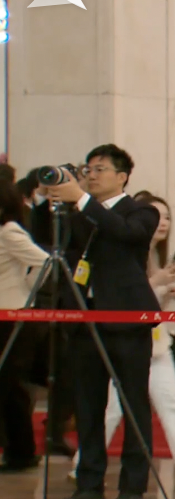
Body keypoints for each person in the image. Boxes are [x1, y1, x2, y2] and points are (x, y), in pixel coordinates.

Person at [70, 196, 175, 489]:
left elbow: (149, 302)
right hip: (128, 335)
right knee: (113, 409)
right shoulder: (125, 250)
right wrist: (158, 283)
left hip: (155, 341)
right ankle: (82, 466)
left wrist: (168, 292)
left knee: (171, 402)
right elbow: (127, 295)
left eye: (167, 217)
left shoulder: (157, 255)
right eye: (158, 216)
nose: (162, 223)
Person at [42, 145, 161, 499]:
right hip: (84, 320)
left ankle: (133, 486)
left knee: (134, 406)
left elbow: (125, 233)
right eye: (87, 169)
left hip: (126, 321)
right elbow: (48, 243)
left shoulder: (141, 211)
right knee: (87, 407)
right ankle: (89, 483)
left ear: (121, 177)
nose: (91, 175)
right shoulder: (78, 211)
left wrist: (80, 198)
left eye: (99, 169)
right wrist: (47, 201)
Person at [0, 179, 47, 472]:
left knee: (9, 386)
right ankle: (19, 450)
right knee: (9, 388)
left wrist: (28, 291)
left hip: (12, 317)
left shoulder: (10, 232)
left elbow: (46, 262)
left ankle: (21, 451)